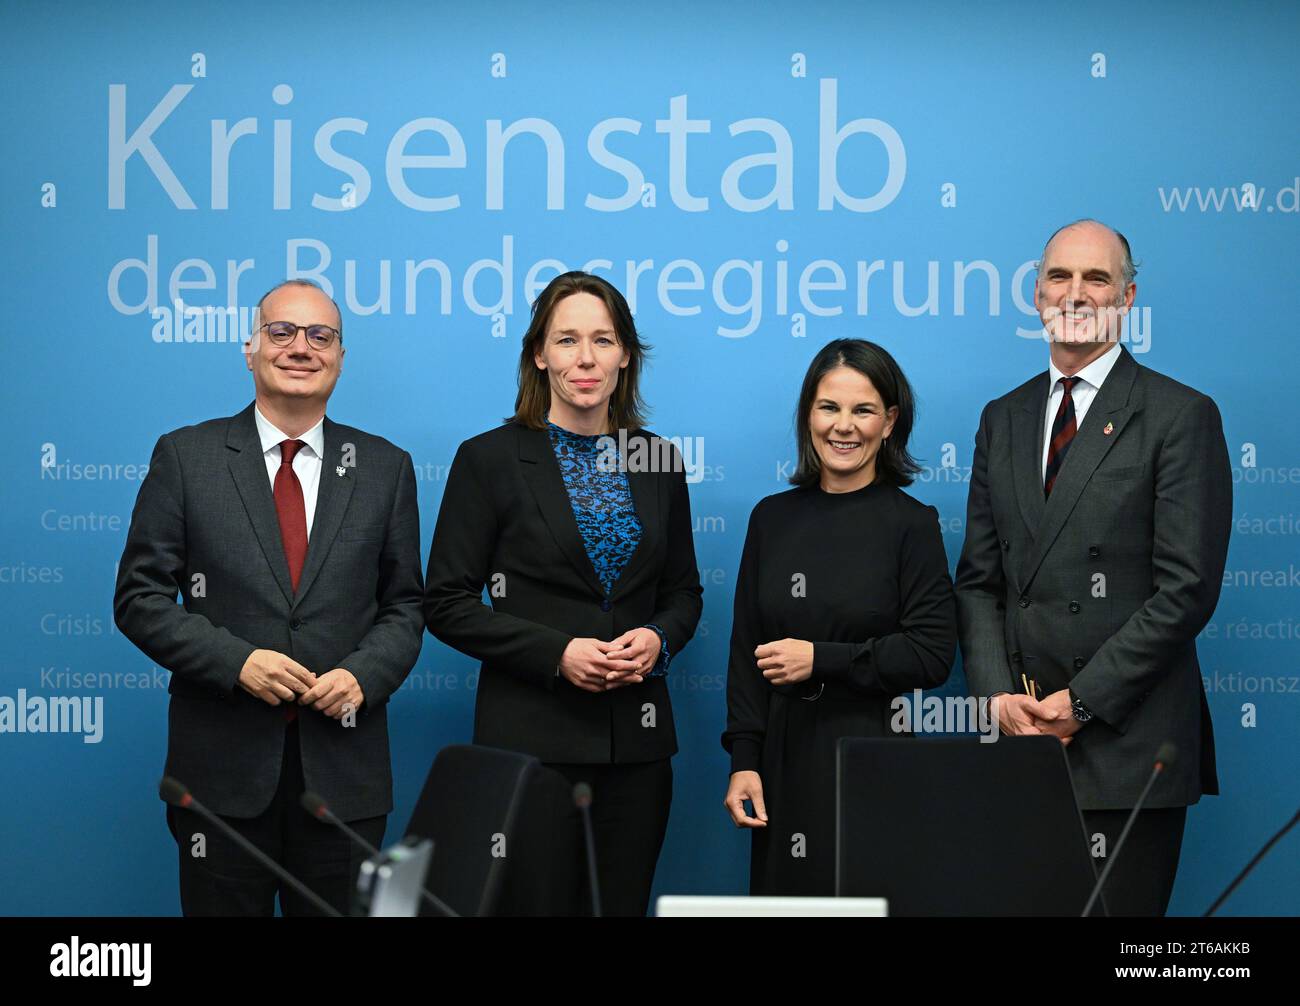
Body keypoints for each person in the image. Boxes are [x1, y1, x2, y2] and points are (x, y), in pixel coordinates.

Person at [114, 279, 424, 916]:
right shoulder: (186, 456)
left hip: (346, 779)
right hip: (220, 782)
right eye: (281, 332)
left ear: (340, 356)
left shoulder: (386, 467)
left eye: (321, 335)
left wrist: (363, 676)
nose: (300, 347)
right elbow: (139, 598)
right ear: (249, 349)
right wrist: (237, 663)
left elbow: (406, 606)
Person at [955, 219, 1231, 916]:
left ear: (1128, 296)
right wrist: (993, 695)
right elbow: (980, 580)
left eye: (1097, 278)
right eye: (1059, 276)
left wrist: (1080, 703)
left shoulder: (1180, 415)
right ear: (1036, 293)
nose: (1075, 293)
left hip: (1126, 748)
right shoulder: (1002, 418)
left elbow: (1186, 591)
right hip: (1019, 745)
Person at [424, 271, 703, 916]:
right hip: (531, 747)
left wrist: (658, 640)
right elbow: (446, 601)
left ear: (626, 354)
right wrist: (557, 653)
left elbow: (684, 592)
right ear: (538, 354)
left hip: (637, 750)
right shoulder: (488, 459)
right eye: (567, 339)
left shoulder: (656, 459)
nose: (586, 358)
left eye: (603, 340)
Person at [722, 339, 956, 896]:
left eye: (863, 410)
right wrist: (744, 760)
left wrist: (819, 659)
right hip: (782, 760)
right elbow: (745, 650)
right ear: (809, 413)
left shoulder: (912, 524)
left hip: (872, 756)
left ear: (890, 421)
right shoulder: (771, 518)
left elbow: (931, 654)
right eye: (829, 407)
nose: (843, 426)